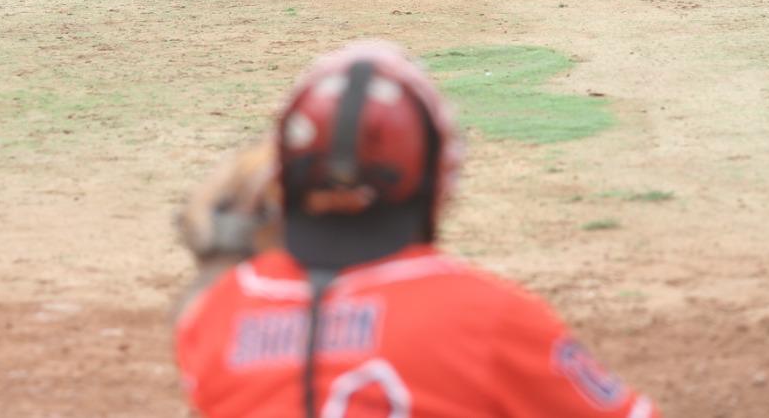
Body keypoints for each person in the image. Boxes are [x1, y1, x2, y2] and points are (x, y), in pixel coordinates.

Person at [175, 40, 661, 418]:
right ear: (434, 178)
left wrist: (226, 254)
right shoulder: (486, 316)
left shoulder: (214, 318)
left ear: (286, 177)